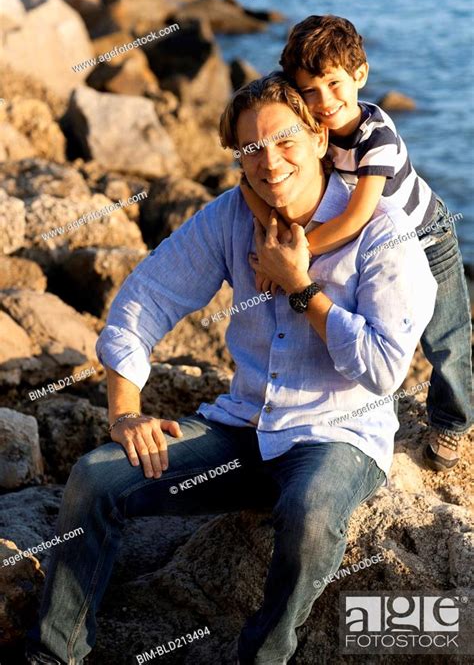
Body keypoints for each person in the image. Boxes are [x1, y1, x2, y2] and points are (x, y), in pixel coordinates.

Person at [26, 72, 437, 665]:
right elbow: (145, 299)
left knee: (311, 512)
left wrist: (302, 289)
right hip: (242, 427)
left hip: (335, 434)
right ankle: (55, 653)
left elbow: (382, 370)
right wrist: (125, 413)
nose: (270, 163)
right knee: (96, 477)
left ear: (321, 138)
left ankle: (263, 656)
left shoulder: (383, 235)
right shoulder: (229, 219)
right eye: (251, 150)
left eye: (286, 142)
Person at [240, 15, 472, 472]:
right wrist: (267, 232)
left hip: (425, 235)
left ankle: (453, 422)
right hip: (370, 246)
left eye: (334, 83)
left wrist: (293, 254)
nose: (324, 101)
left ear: (360, 75)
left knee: (446, 338)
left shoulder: (375, 135)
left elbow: (358, 213)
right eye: (308, 90)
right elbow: (249, 185)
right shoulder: (303, 129)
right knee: (368, 324)